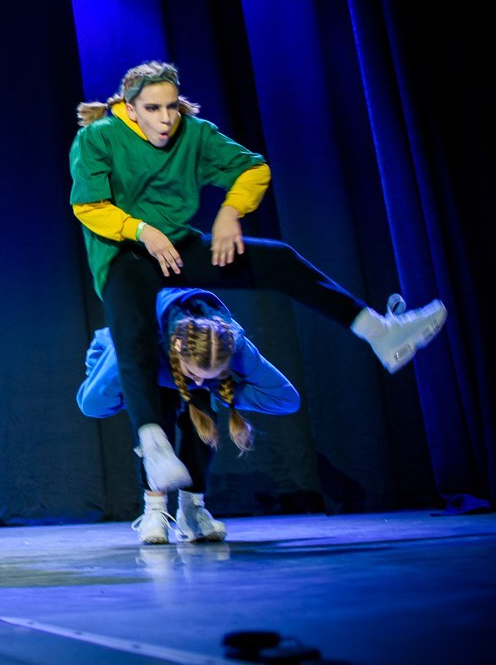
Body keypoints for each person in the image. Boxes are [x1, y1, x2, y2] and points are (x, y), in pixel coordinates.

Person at [69, 61, 447, 493]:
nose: (166, 118)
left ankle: (379, 332)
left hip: (177, 247)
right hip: (125, 254)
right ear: (131, 108)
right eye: (153, 109)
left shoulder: (194, 133)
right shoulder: (98, 137)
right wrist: (141, 230)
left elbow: (252, 168)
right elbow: (89, 206)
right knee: (133, 332)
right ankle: (155, 447)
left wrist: (231, 212)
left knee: (276, 259)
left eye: (171, 107)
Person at [78, 287, 301, 544]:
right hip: (143, 365)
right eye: (194, 374)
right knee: (155, 417)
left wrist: (221, 390)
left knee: (203, 417)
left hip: (175, 365)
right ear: (177, 345)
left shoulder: (232, 344)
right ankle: (154, 510)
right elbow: (92, 404)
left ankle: (192, 509)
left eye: (210, 375)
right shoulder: (139, 337)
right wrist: (129, 383)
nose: (199, 380)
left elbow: (285, 398)